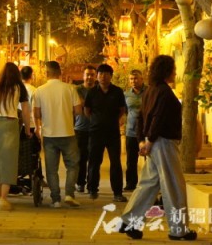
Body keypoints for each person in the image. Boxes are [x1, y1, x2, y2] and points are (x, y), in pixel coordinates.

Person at [120, 55, 197, 241]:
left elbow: (141, 117)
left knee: (149, 184)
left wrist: (142, 140)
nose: (175, 73)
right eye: (173, 70)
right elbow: (158, 118)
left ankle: (131, 221)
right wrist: (150, 140)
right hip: (163, 143)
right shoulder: (164, 92)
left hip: (153, 142)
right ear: (166, 71)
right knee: (173, 186)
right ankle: (179, 230)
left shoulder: (150, 91)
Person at [33, 61, 81, 208]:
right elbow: (78, 111)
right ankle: (69, 194)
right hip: (68, 132)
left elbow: (37, 114)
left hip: (49, 134)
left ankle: (55, 200)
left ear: (46, 73)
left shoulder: (39, 91)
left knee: (51, 169)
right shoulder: (70, 88)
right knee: (72, 165)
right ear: (60, 73)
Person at [0, 62, 32, 211]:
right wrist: (27, 129)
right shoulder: (19, 87)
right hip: (10, 123)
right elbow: (25, 111)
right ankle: (3, 198)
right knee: (9, 160)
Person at [84, 63, 127, 202]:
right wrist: (96, 120)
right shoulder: (92, 92)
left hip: (112, 132)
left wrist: (113, 120)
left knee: (116, 162)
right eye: (101, 74)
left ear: (111, 76)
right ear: (97, 76)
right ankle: (92, 189)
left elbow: (122, 110)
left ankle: (117, 192)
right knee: (94, 161)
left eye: (106, 74)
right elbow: (87, 110)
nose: (103, 76)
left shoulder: (117, 91)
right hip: (96, 131)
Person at [74, 65, 96, 193]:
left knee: (94, 158)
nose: (89, 77)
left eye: (92, 75)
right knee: (81, 158)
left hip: (95, 129)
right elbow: (80, 103)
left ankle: (92, 185)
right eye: (87, 74)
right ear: (83, 76)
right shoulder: (77, 89)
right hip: (80, 128)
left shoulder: (98, 89)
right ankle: (80, 182)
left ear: (95, 76)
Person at [124, 69, 145, 192]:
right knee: (131, 160)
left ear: (142, 79)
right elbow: (125, 111)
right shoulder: (126, 94)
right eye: (131, 79)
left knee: (149, 160)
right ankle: (131, 184)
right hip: (131, 131)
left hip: (146, 132)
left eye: (136, 78)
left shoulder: (149, 92)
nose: (133, 81)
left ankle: (148, 185)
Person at [20, 66, 36, 130]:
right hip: (30, 124)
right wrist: (37, 126)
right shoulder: (34, 90)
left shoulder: (16, 89)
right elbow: (34, 110)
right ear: (31, 76)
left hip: (18, 124)